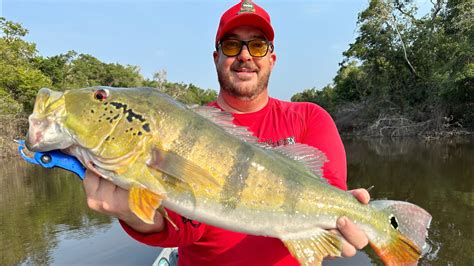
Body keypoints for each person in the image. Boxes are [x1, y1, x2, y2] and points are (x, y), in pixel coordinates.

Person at [83, 1, 370, 265]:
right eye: (232, 46)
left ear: (272, 59)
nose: (245, 56)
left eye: (257, 46)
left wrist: (347, 224)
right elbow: (185, 229)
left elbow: (329, 196)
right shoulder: (184, 127)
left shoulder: (310, 118)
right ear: (216, 57)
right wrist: (135, 215)